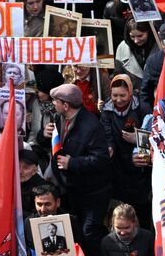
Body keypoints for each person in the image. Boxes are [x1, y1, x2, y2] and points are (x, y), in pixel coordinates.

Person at [44, 83, 112, 256]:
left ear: (66, 105)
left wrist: (72, 163)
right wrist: (43, 134)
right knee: (76, 233)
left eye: (56, 101)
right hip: (72, 190)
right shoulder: (59, 118)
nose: (53, 104)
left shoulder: (91, 126)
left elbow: (101, 159)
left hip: (93, 194)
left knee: (89, 233)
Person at [100, 74, 151, 228]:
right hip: (118, 164)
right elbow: (106, 133)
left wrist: (137, 141)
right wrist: (109, 148)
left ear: (130, 92)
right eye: (115, 95)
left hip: (139, 167)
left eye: (123, 95)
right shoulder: (107, 110)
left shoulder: (142, 108)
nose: (119, 99)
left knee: (141, 209)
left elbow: (152, 131)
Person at [24, 184, 85, 253]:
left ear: (58, 202)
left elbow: (79, 247)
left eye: (47, 204)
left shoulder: (70, 221)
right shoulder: (28, 223)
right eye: (39, 204)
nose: (43, 209)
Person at [115, 19, 160, 91]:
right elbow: (118, 75)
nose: (136, 40)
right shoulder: (122, 47)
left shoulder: (160, 46)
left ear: (149, 32)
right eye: (132, 36)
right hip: (132, 98)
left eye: (140, 36)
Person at [19, 149, 48, 218]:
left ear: (35, 170)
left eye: (26, 168)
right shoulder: (10, 182)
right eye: (18, 166)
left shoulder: (42, 188)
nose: (20, 172)